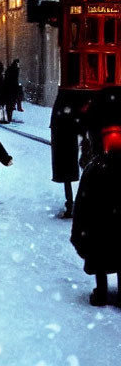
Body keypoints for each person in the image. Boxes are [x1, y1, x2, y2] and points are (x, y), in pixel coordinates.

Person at [70, 118, 121, 306]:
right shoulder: (96, 167)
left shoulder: (95, 167)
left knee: (100, 259)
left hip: (100, 227)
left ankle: (101, 293)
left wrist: (79, 230)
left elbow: (83, 202)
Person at [3, 58, 21, 123]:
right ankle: (18, 105)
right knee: (16, 97)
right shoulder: (14, 70)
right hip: (11, 88)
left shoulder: (12, 69)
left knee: (10, 102)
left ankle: (17, 106)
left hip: (10, 87)